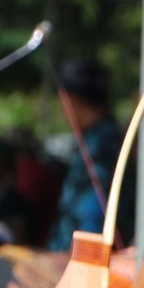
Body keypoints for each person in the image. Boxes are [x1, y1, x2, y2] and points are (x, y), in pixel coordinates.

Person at [48, 59, 126, 249]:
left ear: (72, 100)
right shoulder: (94, 139)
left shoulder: (101, 144)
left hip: (82, 258)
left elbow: (93, 214)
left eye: (62, 102)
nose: (62, 111)